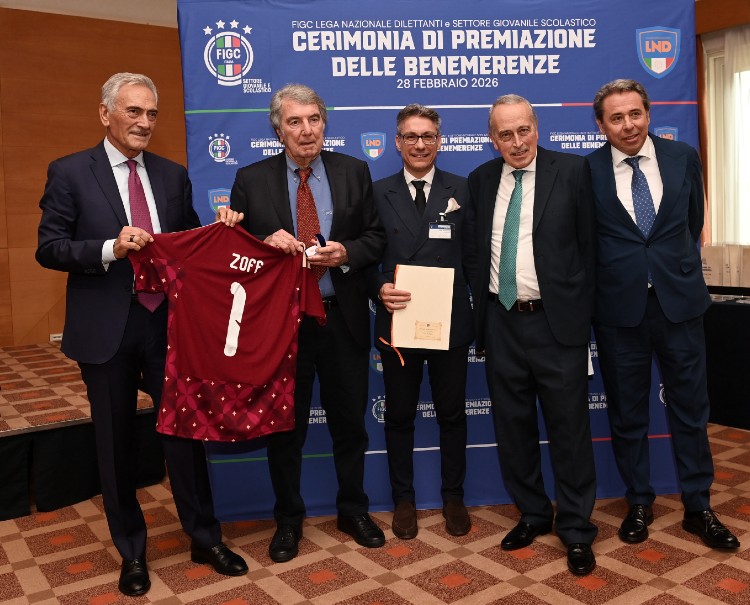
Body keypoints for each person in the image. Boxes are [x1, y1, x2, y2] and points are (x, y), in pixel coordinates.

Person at [35, 73, 247, 597]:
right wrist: (110, 247)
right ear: (105, 113)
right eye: (133, 111)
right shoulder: (69, 171)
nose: (144, 122)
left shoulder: (173, 175)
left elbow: (189, 246)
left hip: (168, 325)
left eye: (151, 113)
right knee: (115, 444)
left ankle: (205, 538)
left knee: (186, 436)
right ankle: (131, 551)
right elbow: (50, 247)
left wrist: (220, 230)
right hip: (106, 328)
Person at [221, 83, 386, 562]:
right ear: (279, 130)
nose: (307, 130)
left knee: (349, 425)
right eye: (295, 121)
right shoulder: (251, 179)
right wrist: (262, 243)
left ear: (324, 123)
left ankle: (353, 510)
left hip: (342, 319)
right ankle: (288, 521)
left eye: (314, 119)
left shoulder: (354, 171)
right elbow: (234, 254)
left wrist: (346, 253)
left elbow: (376, 237)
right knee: (284, 430)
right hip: (282, 327)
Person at [587, 79, 740, 550]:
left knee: (691, 411)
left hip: (679, 306)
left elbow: (691, 222)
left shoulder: (682, 157)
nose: (628, 125)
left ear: (648, 114)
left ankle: (699, 506)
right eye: (616, 117)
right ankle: (639, 501)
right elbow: (588, 239)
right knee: (628, 413)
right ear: (601, 125)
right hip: (620, 312)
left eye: (635, 113)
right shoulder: (587, 171)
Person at [464, 94, 598, 576]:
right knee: (513, 428)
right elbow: (474, 253)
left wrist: (578, 313)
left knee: (569, 431)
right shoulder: (481, 180)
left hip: (555, 324)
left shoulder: (574, 172)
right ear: (492, 138)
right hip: (501, 322)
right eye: (506, 134)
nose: (517, 142)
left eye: (524, 130)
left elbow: (591, 248)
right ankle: (534, 513)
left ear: (536, 128)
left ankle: (577, 528)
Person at [371, 104, 473, 539]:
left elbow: (474, 255)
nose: (419, 144)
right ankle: (404, 499)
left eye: (428, 136)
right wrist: (379, 286)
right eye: (410, 136)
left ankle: (454, 496)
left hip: (449, 320)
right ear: (397, 142)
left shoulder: (462, 189)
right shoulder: (377, 192)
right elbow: (366, 256)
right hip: (399, 320)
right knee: (399, 416)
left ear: (439, 141)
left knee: (452, 414)